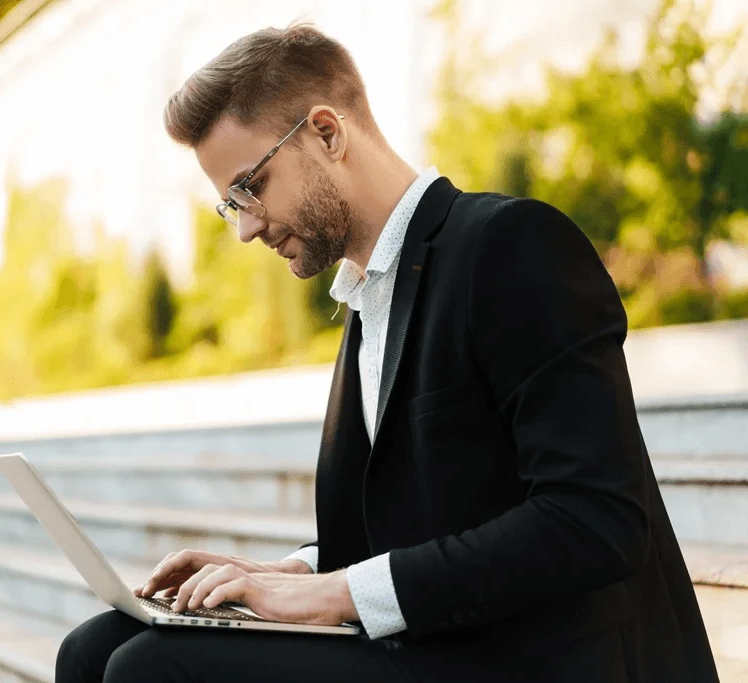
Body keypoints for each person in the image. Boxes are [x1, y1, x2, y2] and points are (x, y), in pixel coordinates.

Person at [56, 22, 719, 683]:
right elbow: (425, 519)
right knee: (94, 648)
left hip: (532, 656)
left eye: (250, 186)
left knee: (154, 666)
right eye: (231, 204)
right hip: (438, 645)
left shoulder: (511, 245)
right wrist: (290, 572)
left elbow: (595, 519)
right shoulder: (370, 296)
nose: (247, 227)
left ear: (326, 132)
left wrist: (333, 593)